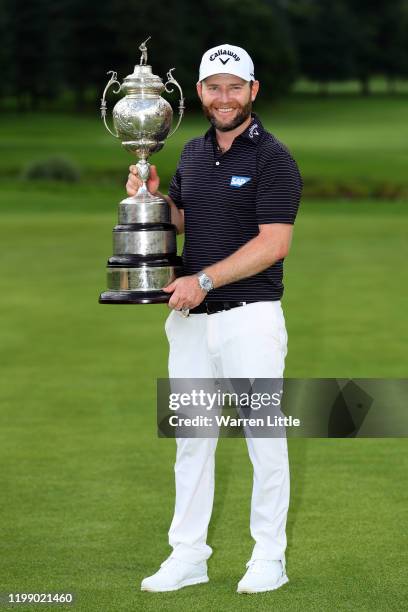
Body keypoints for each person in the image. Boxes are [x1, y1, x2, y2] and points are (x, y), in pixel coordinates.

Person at [126, 43, 303, 594]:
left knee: (263, 440)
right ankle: (188, 556)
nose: (224, 97)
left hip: (249, 318)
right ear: (200, 94)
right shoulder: (195, 155)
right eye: (213, 86)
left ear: (253, 91)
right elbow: (184, 218)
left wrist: (202, 280)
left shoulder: (274, 158)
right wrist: (154, 199)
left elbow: (273, 244)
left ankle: (269, 557)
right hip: (192, 324)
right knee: (193, 441)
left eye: (235, 86)